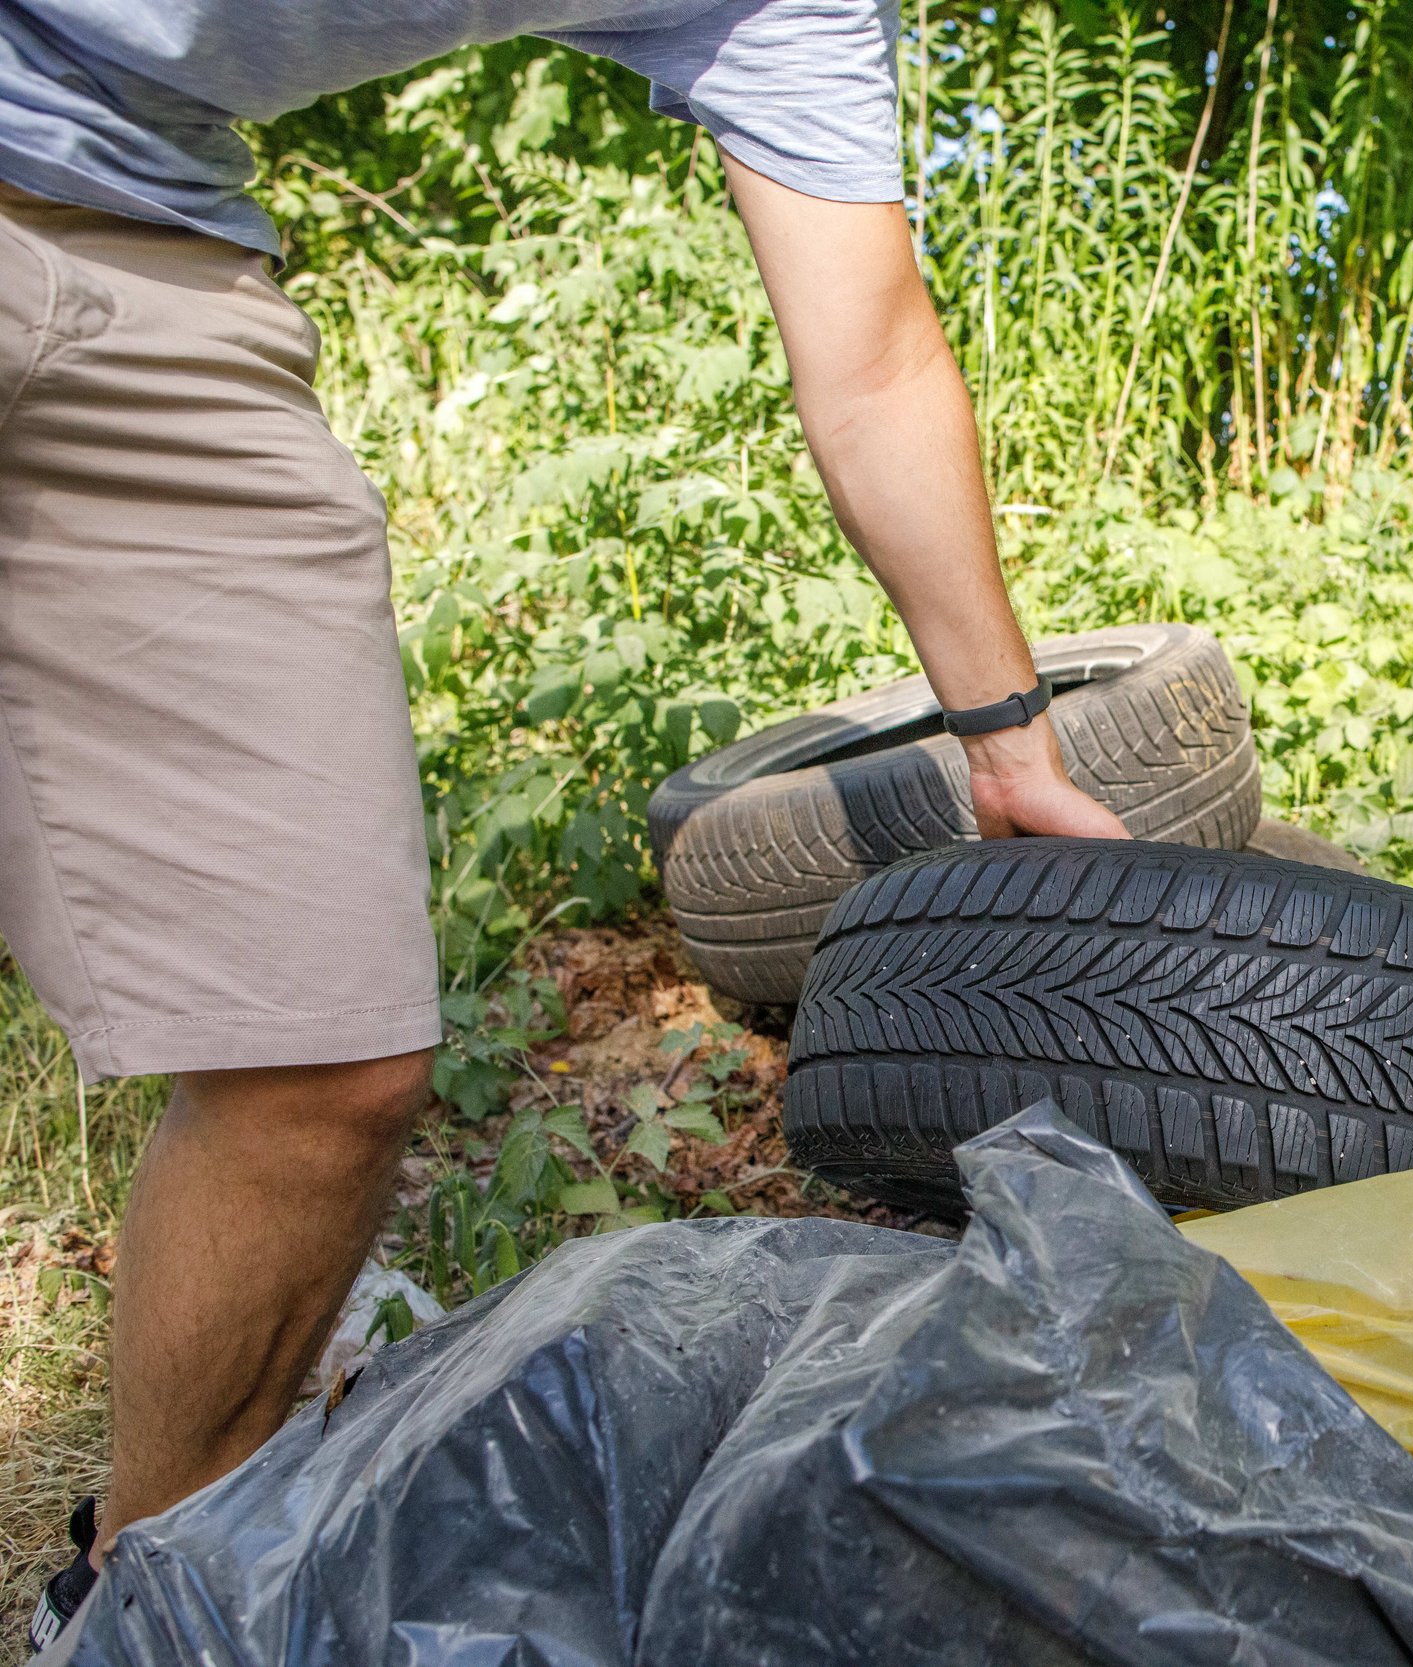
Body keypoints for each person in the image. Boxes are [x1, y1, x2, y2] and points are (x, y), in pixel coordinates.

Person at [0, 1, 1127, 1649]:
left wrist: (1007, 739)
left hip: (144, 247)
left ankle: (153, 1602)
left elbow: (873, 353)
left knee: (327, 1059)